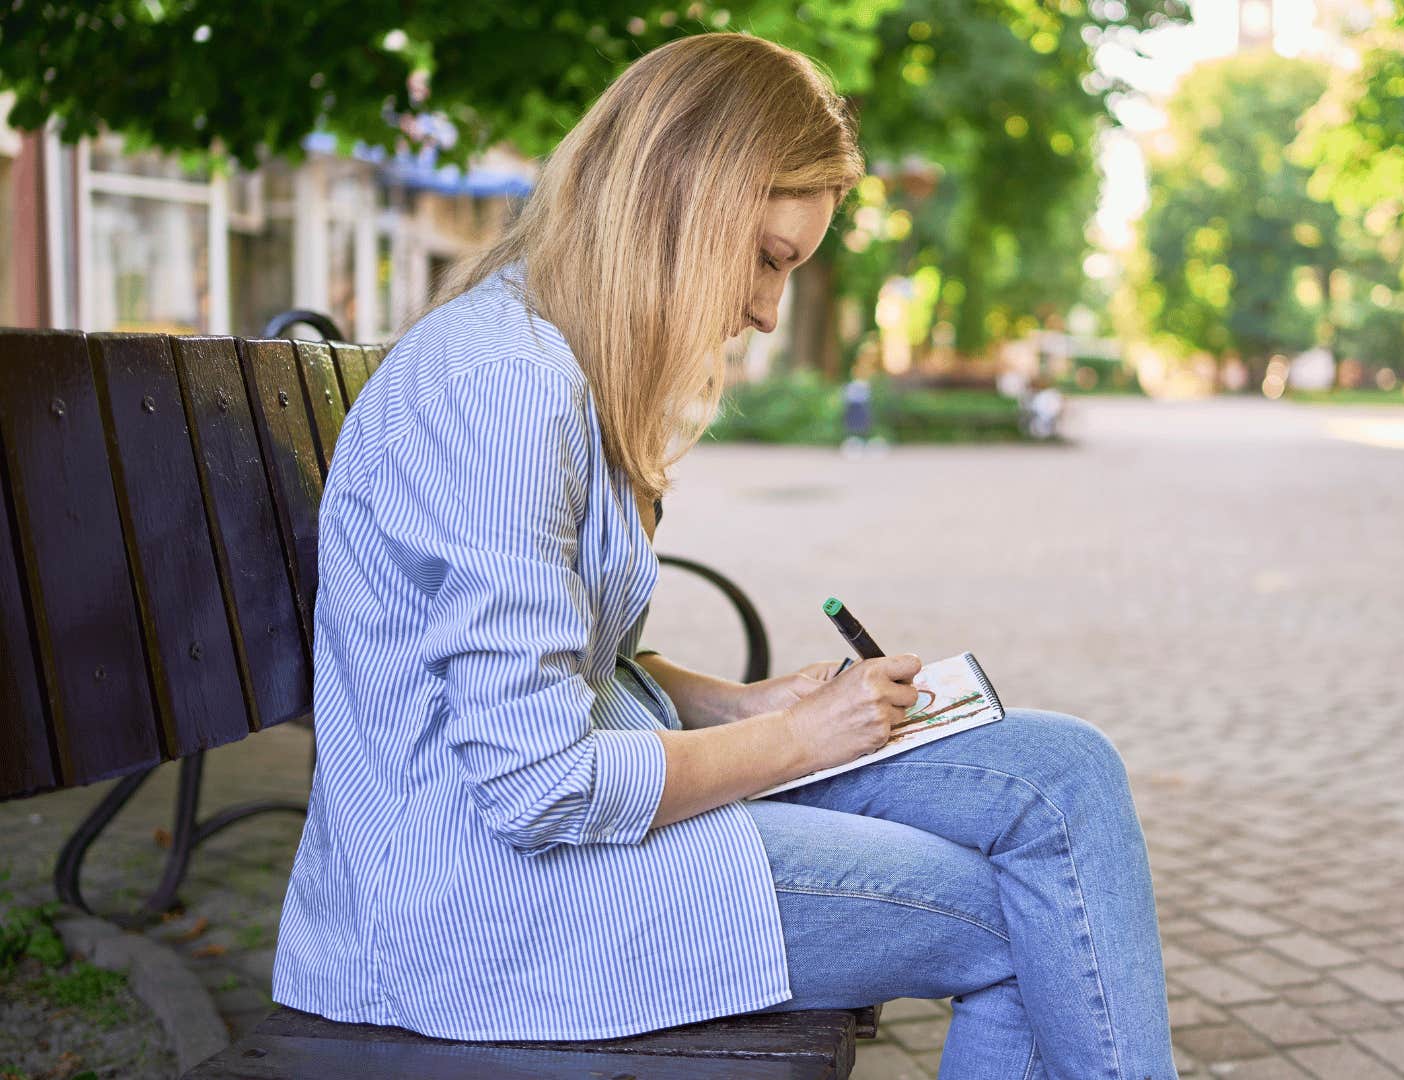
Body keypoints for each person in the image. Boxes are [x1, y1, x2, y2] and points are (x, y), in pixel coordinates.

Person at [270, 31, 1176, 1080]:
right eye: (766, 258)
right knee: (1022, 917)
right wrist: (801, 743)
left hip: (540, 846)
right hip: (483, 908)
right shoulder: (506, 388)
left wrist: (749, 709)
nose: (766, 309)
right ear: (681, 202)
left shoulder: (547, 360)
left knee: (1064, 772)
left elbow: (561, 666)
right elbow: (535, 785)